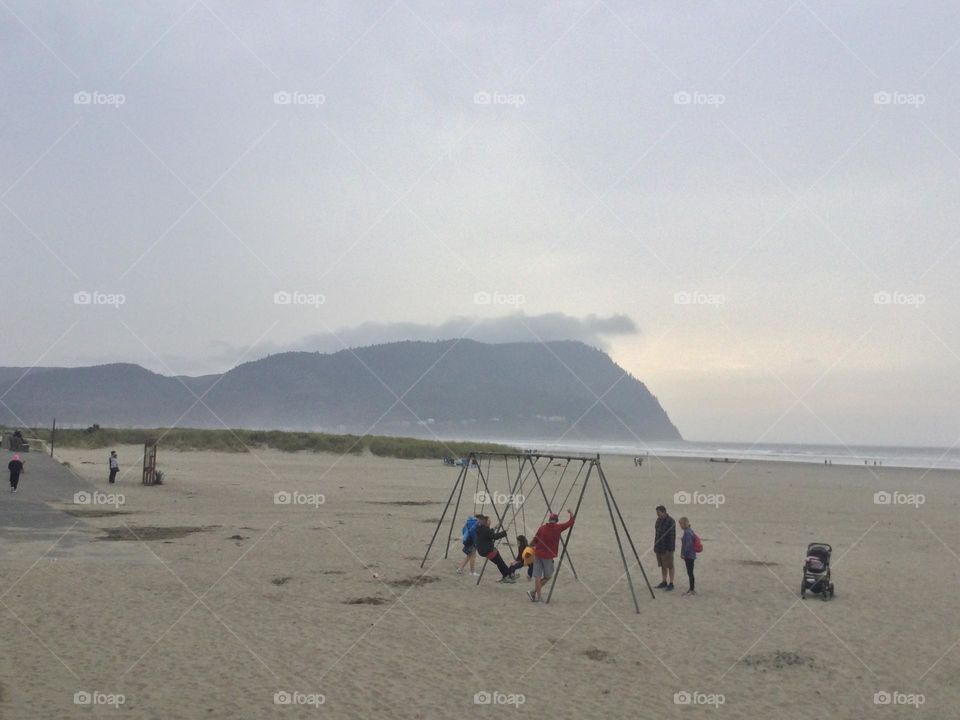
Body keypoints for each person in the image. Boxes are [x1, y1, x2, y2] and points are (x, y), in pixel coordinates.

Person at [527, 510, 575, 603]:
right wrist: (571, 514)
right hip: (547, 556)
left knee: (537, 576)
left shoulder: (542, 528)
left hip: (538, 554)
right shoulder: (558, 527)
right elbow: (570, 523)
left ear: (549, 519)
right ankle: (534, 593)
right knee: (548, 576)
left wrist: (529, 546)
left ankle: (536, 594)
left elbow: (535, 540)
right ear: (556, 520)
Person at [474, 515, 515, 582]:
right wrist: (504, 533)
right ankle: (508, 574)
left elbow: (489, 533)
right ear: (486, 522)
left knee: (499, 562)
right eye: (489, 520)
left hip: (482, 550)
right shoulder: (486, 530)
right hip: (487, 551)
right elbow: (495, 536)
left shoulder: (481, 528)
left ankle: (508, 574)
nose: (490, 521)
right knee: (500, 562)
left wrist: (495, 527)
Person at [654, 505, 676, 591]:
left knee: (670, 565)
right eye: (657, 513)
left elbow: (671, 536)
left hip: (667, 548)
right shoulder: (658, 520)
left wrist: (669, 549)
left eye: (659, 513)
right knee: (663, 565)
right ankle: (664, 581)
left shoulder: (671, 521)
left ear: (664, 512)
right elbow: (657, 534)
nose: (657, 515)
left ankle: (671, 583)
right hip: (659, 547)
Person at [679, 516, 697, 596]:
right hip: (691, 555)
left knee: (690, 572)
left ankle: (692, 589)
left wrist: (683, 554)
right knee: (690, 572)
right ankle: (691, 589)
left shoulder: (687, 532)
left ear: (684, 524)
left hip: (689, 556)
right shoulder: (689, 531)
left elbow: (688, 545)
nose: (680, 526)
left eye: (681, 524)